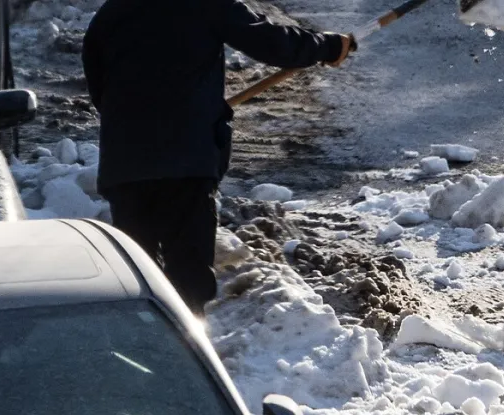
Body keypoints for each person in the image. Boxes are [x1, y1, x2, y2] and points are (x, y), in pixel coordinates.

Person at [82, 0, 353, 317]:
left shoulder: (111, 13)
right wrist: (329, 46)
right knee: (187, 279)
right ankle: (186, 355)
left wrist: (138, 122)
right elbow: (271, 41)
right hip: (183, 163)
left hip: (126, 165)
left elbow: (98, 86)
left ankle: (145, 351)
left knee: (137, 276)